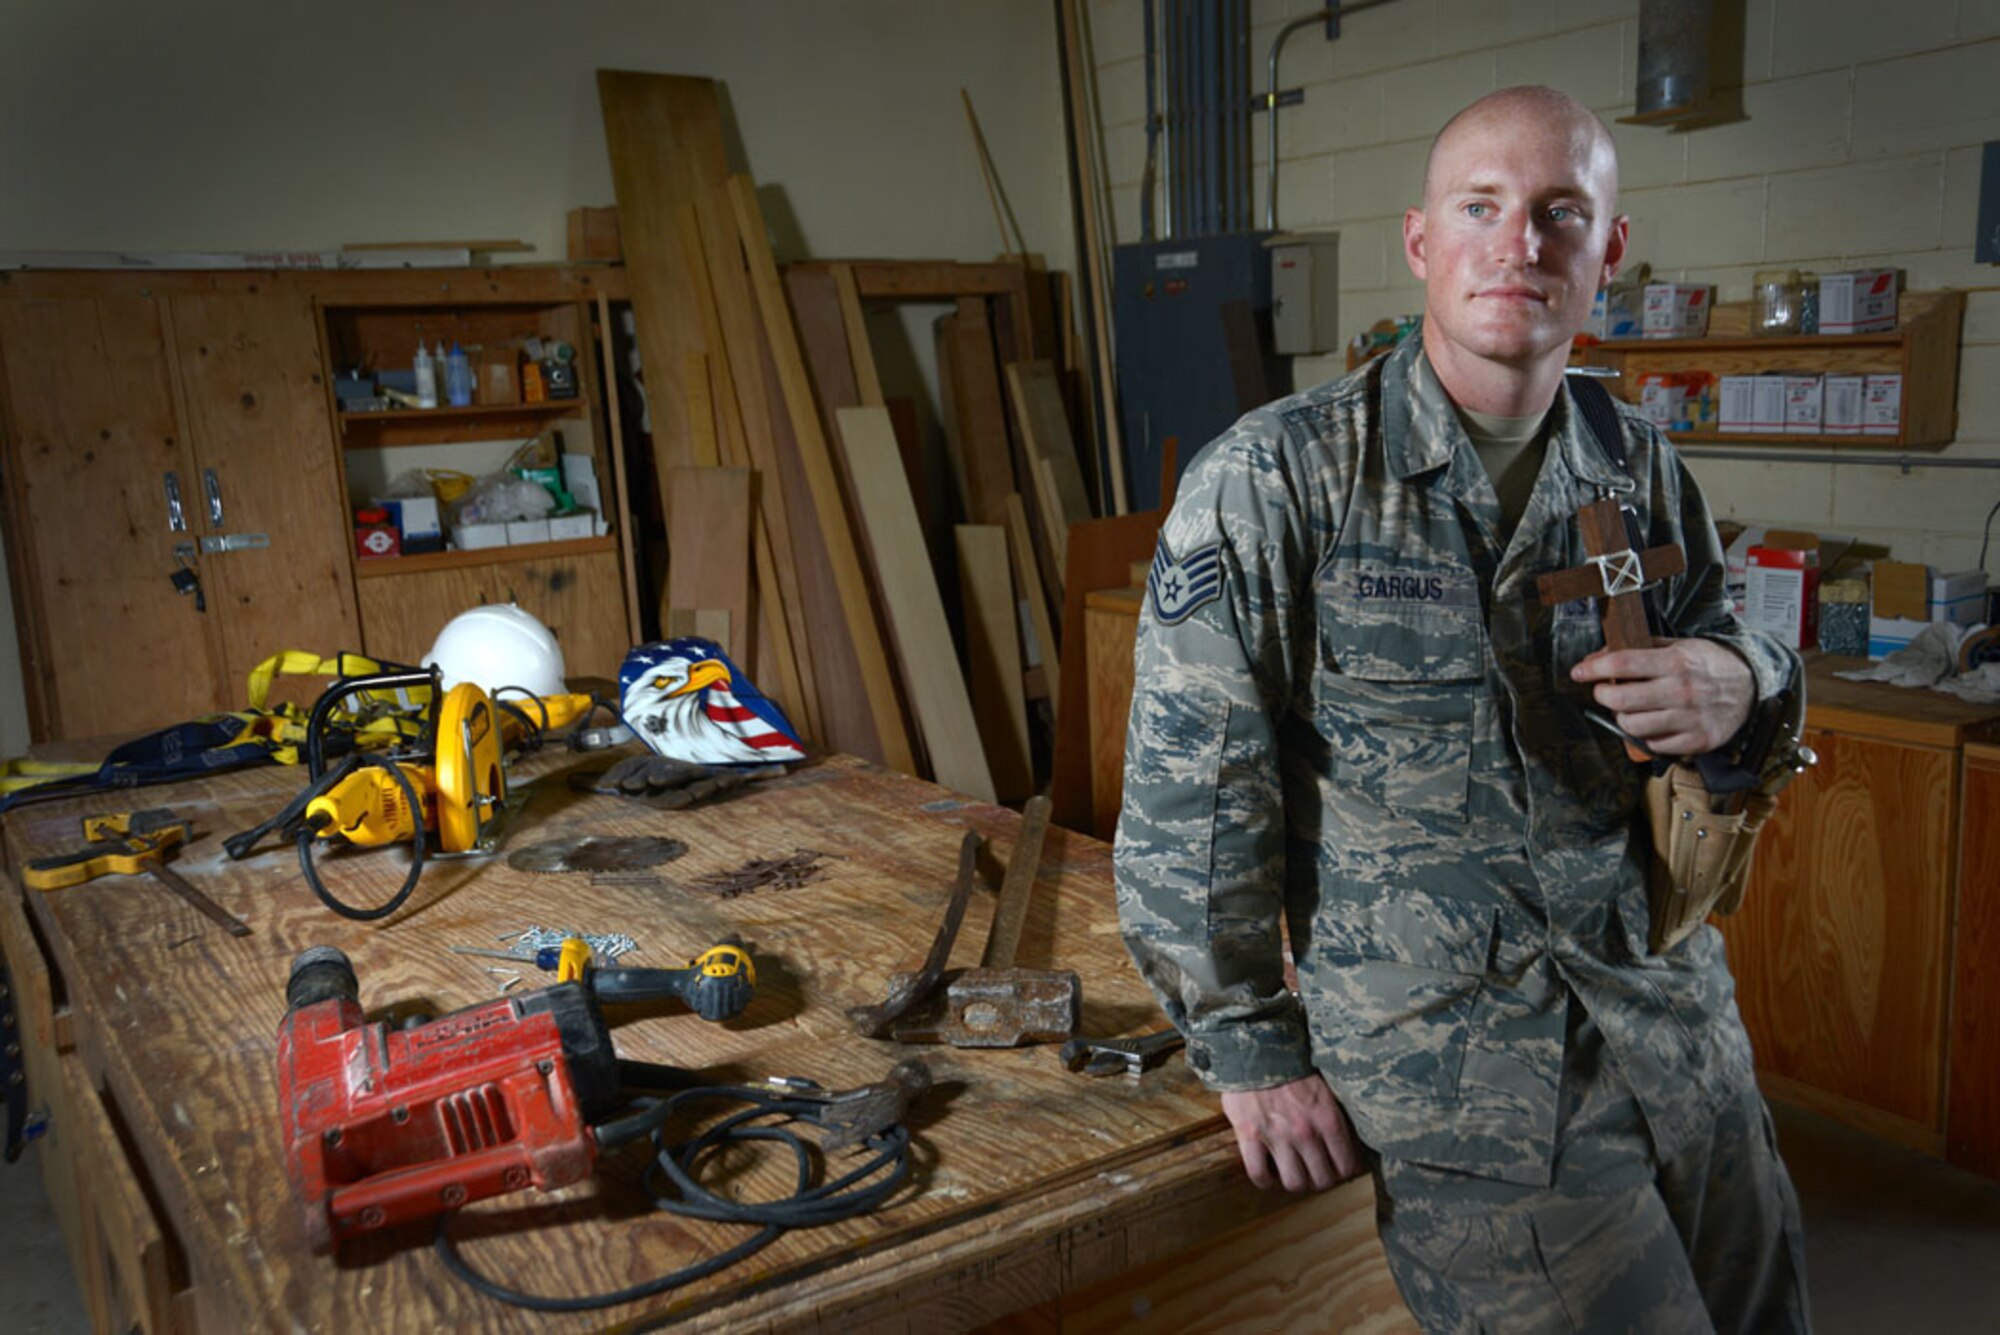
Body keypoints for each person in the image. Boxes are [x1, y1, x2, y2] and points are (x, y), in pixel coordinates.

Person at [1114, 85, 1810, 1332]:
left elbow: (1726, 683)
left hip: (1672, 1028)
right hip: (1462, 1073)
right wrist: (1246, 1048)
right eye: (1480, 207)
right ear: (1420, 243)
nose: (1518, 243)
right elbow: (1190, 796)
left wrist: (1745, 680)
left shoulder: (1636, 465)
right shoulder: (1282, 481)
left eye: (1558, 213)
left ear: (1608, 248)